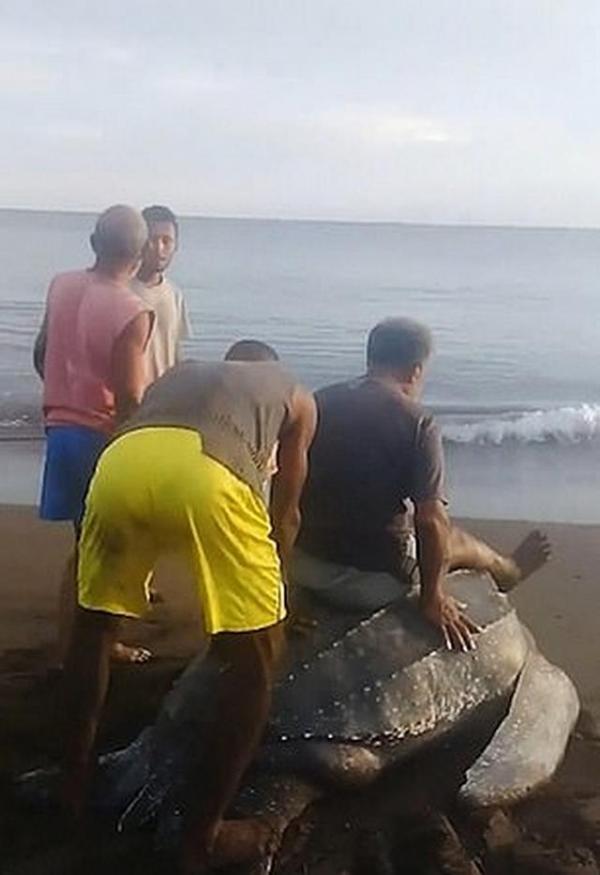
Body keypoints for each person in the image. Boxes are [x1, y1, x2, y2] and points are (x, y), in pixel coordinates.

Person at [60, 355, 317, 872]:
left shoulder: (183, 373)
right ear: (272, 366)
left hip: (119, 464)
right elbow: (285, 513)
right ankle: (203, 836)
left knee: (93, 631)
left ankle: (74, 785)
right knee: (254, 669)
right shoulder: (298, 397)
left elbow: (134, 417)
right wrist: (274, 594)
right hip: (209, 473)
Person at [297, 318, 551, 651]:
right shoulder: (417, 421)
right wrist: (432, 597)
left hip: (305, 567)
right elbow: (429, 519)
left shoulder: (318, 402)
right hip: (373, 582)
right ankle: (508, 570)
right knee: (453, 537)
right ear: (416, 370)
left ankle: (505, 569)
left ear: (370, 359)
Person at [33, 205, 154, 665]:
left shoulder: (61, 284)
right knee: (106, 551)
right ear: (140, 254)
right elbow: (129, 394)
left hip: (60, 426)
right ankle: (93, 646)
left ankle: (73, 643)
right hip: (99, 435)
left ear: (92, 241)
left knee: (84, 545)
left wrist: (63, 389)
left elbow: (43, 353)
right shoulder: (132, 310)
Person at [133, 204, 191, 382]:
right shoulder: (120, 292)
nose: (159, 248)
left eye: (167, 241)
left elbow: (175, 352)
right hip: (129, 401)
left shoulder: (175, 295)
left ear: (176, 246)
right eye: (152, 240)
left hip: (164, 399)